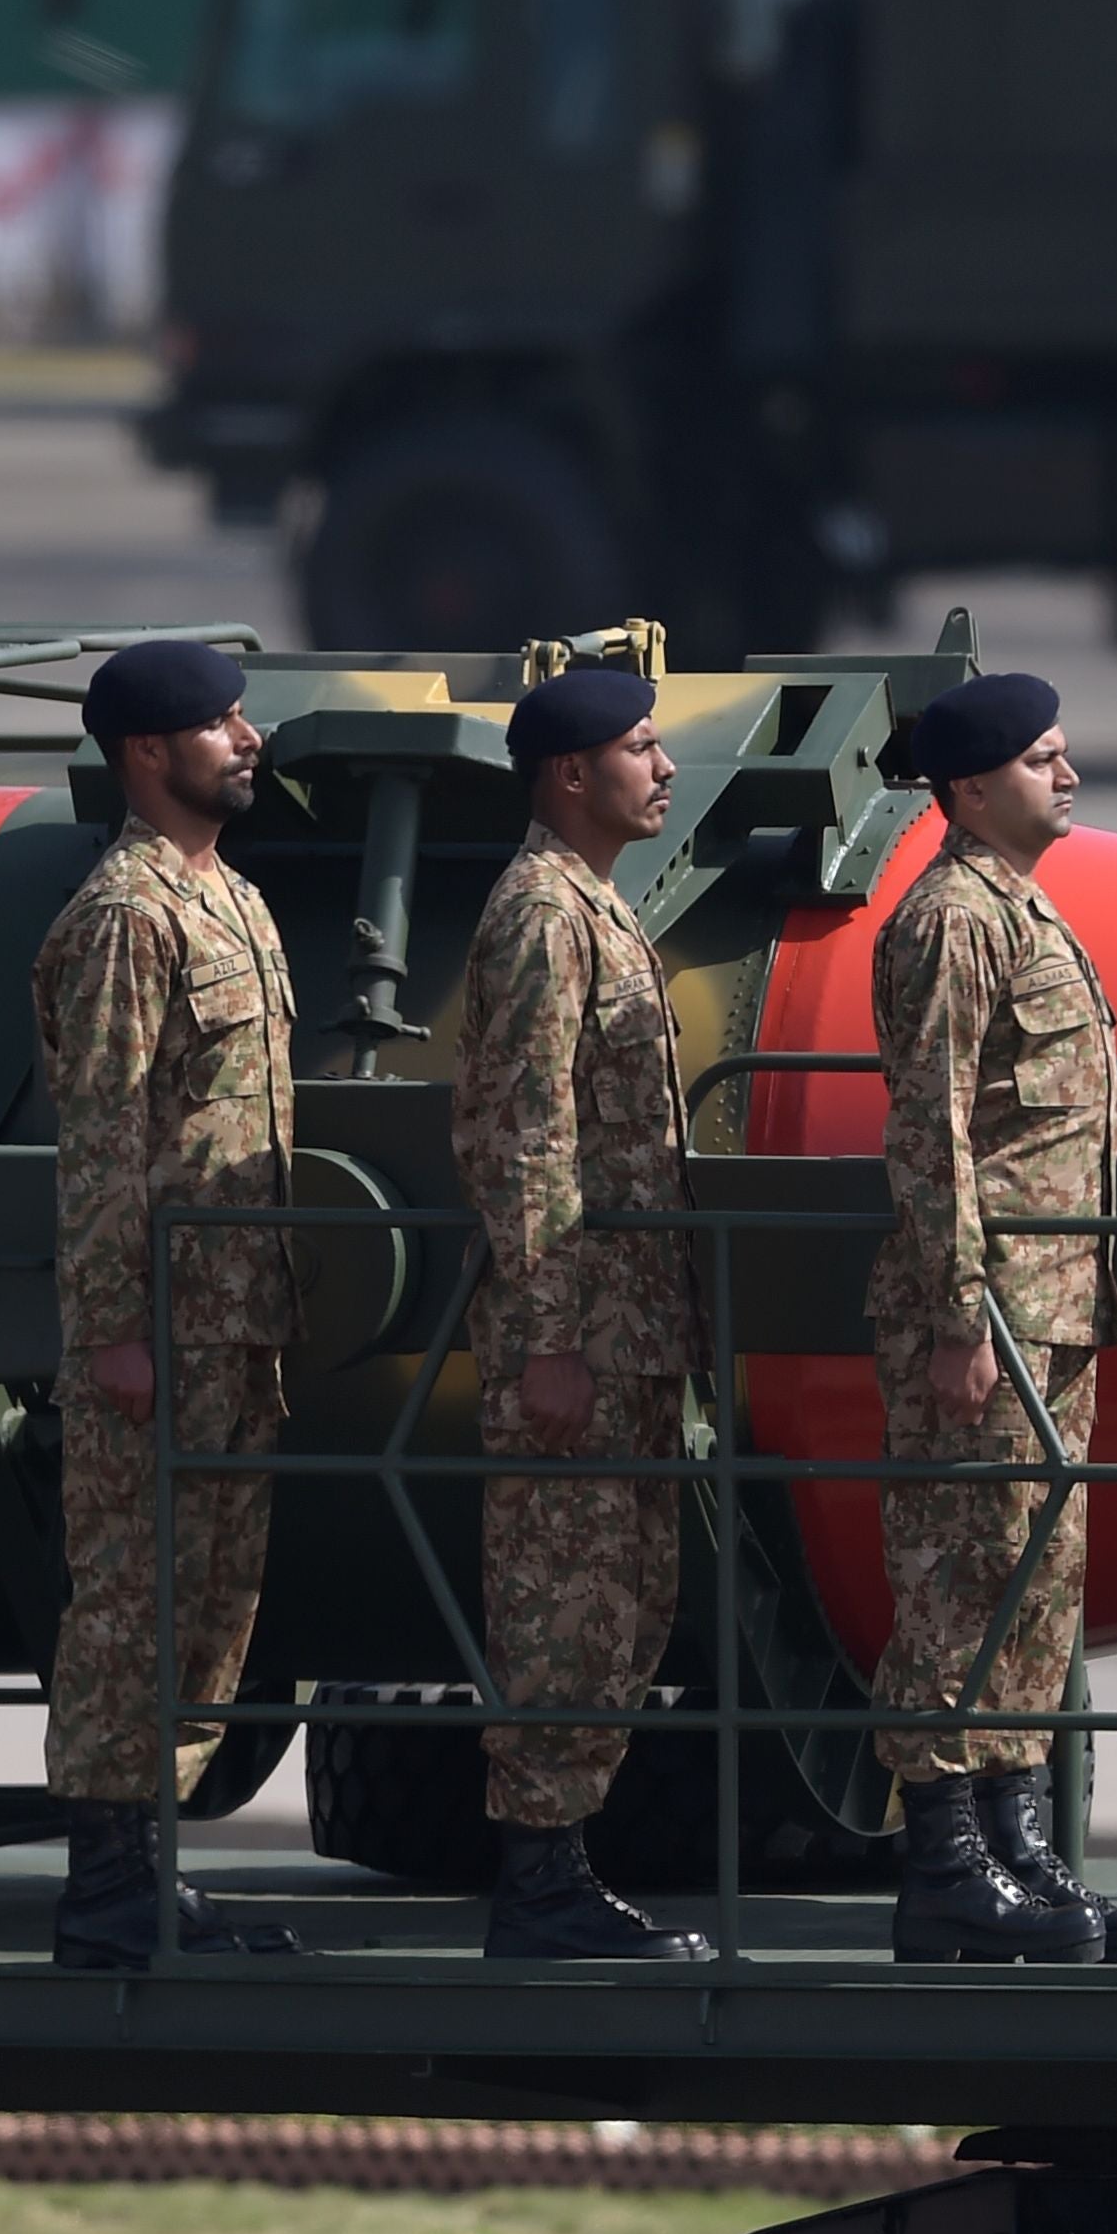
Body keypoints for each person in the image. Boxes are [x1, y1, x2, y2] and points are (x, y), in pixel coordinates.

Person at [863, 669, 1117, 1966]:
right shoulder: (950, 921)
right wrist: (956, 1311)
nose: (1070, 774)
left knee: (1034, 1584)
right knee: (957, 1579)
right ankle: (945, 1864)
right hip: (984, 1313)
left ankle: (1016, 1842)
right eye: (1046, 759)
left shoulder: (1022, 908)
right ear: (975, 788)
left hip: (1050, 1306)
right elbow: (929, 1130)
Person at [32, 636, 307, 1968]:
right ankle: (105, 1884)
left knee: (208, 1600)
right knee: (133, 1599)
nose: (247, 740)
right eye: (221, 724)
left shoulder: (233, 902)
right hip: (159, 1327)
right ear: (150, 754)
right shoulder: (126, 918)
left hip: (241, 1323)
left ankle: (153, 1871)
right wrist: (119, 1327)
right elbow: (102, 1140)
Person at [453, 665, 718, 1964]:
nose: (663, 768)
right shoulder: (544, 917)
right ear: (571, 774)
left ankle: (562, 1869)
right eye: (641, 748)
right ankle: (541, 1882)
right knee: (564, 1599)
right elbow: (525, 1134)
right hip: (577, 1337)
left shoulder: (596, 910)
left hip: (627, 1334)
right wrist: (551, 1334)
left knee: (619, 1602)